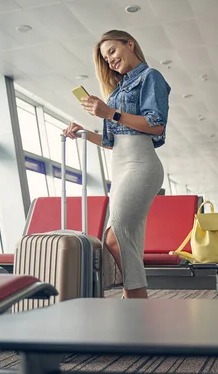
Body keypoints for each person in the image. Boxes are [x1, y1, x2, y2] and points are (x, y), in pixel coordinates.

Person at [62, 30, 170, 299]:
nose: (109, 60)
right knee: (125, 240)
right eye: (105, 57)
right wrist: (84, 133)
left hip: (142, 165)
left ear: (129, 44)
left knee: (115, 236)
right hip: (120, 166)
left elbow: (156, 125)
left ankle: (136, 297)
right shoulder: (116, 91)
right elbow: (112, 141)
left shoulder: (150, 77)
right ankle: (131, 300)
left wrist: (110, 113)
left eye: (112, 51)